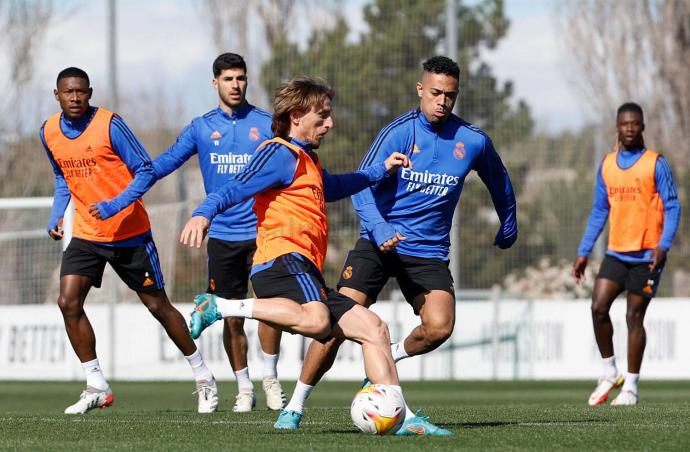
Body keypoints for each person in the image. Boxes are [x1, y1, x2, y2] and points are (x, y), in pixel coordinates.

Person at [182, 76, 450, 435]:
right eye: (322, 115)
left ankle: (403, 417)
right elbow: (234, 186)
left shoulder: (307, 159)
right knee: (318, 321)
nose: (330, 123)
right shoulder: (278, 152)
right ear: (296, 115)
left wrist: (378, 171)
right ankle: (220, 306)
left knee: (374, 329)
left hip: (303, 268)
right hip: (281, 260)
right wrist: (204, 212)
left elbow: (334, 186)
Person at [277, 55, 517, 434]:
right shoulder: (399, 132)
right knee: (334, 325)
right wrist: (380, 226)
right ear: (421, 90)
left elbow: (499, 180)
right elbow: (360, 187)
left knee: (439, 326)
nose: (442, 101)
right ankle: (294, 406)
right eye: (435, 92)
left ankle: (386, 362)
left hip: (427, 252)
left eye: (449, 96)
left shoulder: (472, 141)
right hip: (377, 243)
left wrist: (509, 221)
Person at [41, 67, 218, 414]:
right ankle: (96, 384)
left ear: (90, 93)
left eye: (81, 92)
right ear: (57, 95)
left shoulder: (109, 124)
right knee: (67, 301)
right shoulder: (48, 131)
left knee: (158, 307)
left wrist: (115, 205)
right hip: (88, 235)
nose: (75, 98)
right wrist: (57, 215)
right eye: (68, 92)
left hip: (129, 233)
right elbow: (62, 177)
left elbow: (146, 169)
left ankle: (203, 377)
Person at [153, 53, 285, 412]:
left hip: (263, 233)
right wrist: (138, 174)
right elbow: (167, 161)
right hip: (224, 236)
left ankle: (271, 378)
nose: (236, 85)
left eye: (241, 78)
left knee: (271, 310)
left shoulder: (266, 123)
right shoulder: (201, 127)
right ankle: (244, 388)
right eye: (228, 79)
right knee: (232, 317)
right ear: (215, 83)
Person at [573, 102, 680, 406]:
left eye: (635, 124)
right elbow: (599, 210)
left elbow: (673, 206)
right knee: (598, 307)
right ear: (617, 127)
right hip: (617, 253)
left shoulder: (656, 164)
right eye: (625, 124)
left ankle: (630, 386)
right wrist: (583, 252)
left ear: (643, 127)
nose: (630, 128)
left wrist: (663, 245)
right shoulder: (607, 165)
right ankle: (610, 372)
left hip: (648, 257)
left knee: (634, 316)